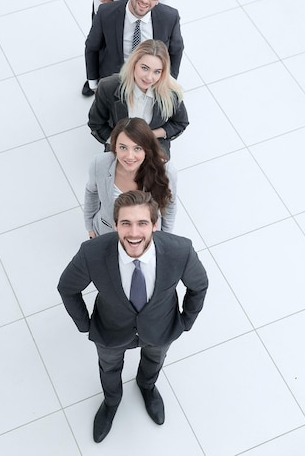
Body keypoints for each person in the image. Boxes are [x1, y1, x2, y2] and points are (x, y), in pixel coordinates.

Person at [58, 190, 208, 443]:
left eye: (142, 223)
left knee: (155, 360)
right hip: (110, 330)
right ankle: (112, 400)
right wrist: (85, 325)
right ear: (115, 224)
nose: (134, 232)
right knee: (109, 368)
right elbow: (67, 288)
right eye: (126, 223)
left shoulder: (180, 250)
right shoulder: (92, 253)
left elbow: (199, 285)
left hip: (161, 328)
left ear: (155, 225)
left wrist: (184, 322)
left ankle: (146, 386)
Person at [85, 0, 183, 92]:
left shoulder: (170, 18)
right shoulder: (106, 13)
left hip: (151, 84)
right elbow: (92, 47)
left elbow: (176, 50)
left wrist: (169, 82)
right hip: (115, 80)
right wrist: (93, 83)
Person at [88, 40, 188, 157]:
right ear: (134, 64)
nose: (149, 77)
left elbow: (180, 123)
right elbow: (96, 124)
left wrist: (150, 135)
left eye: (157, 72)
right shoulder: (108, 87)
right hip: (120, 148)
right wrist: (120, 144)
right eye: (145, 68)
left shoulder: (170, 92)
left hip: (153, 147)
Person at [84, 117, 177, 238]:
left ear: (147, 149)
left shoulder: (166, 171)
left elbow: (170, 205)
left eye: (137, 148)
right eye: (123, 147)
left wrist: (165, 238)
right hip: (107, 232)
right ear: (115, 146)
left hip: (146, 237)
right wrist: (90, 228)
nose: (129, 156)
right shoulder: (99, 164)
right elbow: (91, 192)